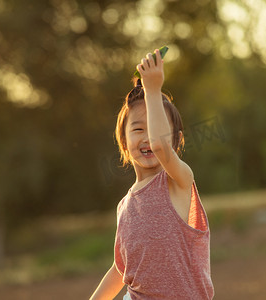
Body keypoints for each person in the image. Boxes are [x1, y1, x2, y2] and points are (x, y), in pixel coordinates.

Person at [90, 49, 214, 300]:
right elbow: (120, 269)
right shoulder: (124, 206)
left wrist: (153, 90)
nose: (147, 137)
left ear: (176, 141)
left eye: (156, 128)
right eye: (137, 128)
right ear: (123, 141)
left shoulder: (179, 181)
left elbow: (159, 145)